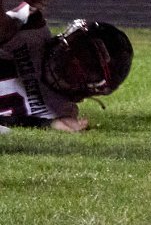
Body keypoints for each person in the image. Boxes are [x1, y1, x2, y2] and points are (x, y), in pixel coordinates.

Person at [0, 8, 134, 133]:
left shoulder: (61, 114)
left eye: (86, 66)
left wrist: (47, 124)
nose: (73, 61)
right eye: (79, 50)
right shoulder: (32, 29)